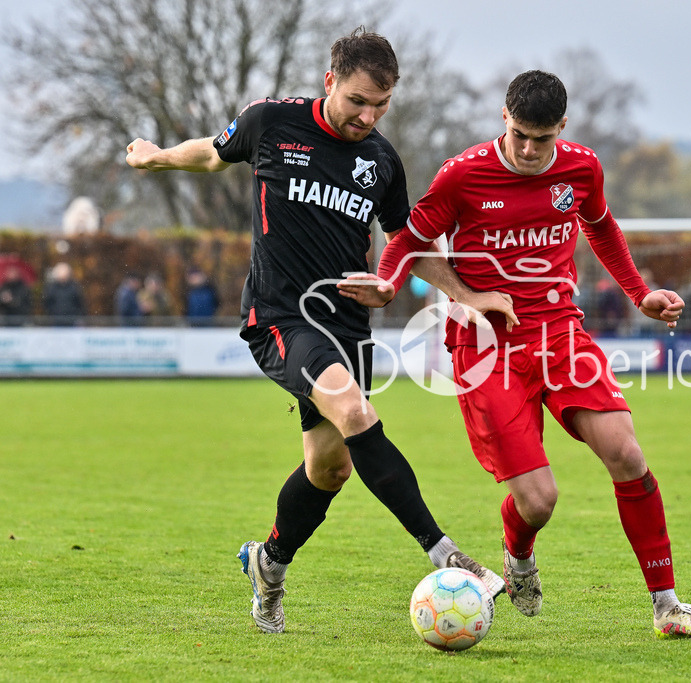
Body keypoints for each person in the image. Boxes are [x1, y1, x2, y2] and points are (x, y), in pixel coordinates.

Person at [125, 28, 512, 634]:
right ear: (330, 81)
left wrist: (463, 294)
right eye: (358, 100)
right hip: (281, 318)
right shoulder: (271, 122)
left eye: (381, 105)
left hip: (349, 328)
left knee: (330, 469)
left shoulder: (381, 161)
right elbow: (213, 153)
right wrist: (157, 157)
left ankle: (269, 563)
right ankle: (448, 554)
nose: (368, 116)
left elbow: (408, 242)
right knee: (355, 411)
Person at [340, 70, 691, 638]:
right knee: (540, 501)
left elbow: (601, 226)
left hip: (560, 332)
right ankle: (518, 553)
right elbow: (410, 238)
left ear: (561, 128)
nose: (527, 149)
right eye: (518, 134)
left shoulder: (582, 168)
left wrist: (640, 293)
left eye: (541, 139)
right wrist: (388, 283)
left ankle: (667, 607)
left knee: (627, 454)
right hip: (485, 346)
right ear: (504, 118)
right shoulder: (463, 174)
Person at [42, 262, 86, 326]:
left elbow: (80, 303)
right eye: (60, 273)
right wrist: (51, 315)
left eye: (64, 273)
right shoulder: (51, 288)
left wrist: (79, 317)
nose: (63, 275)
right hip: (56, 321)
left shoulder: (75, 287)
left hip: (72, 321)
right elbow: (47, 303)